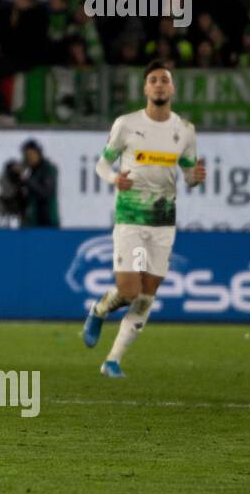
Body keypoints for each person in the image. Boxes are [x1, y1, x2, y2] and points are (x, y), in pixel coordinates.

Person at [81, 61, 206, 377]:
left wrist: (196, 177)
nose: (160, 84)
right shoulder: (126, 124)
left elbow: (189, 175)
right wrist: (114, 180)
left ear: (172, 88)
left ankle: (113, 360)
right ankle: (99, 310)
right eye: (154, 80)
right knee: (128, 290)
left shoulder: (185, 131)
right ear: (145, 89)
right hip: (131, 218)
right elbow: (101, 165)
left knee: (147, 296)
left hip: (163, 221)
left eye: (165, 79)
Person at [19, 139, 59, 227]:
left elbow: (46, 192)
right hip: (32, 221)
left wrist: (27, 180)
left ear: (38, 153)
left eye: (31, 154)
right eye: (26, 155)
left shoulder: (48, 170)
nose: (29, 158)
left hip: (47, 221)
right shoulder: (31, 171)